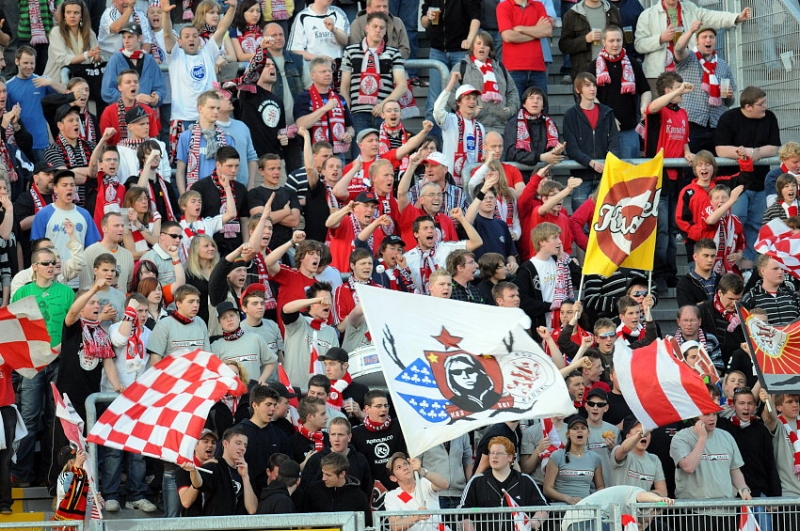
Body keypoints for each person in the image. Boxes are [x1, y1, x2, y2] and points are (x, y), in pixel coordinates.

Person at [160, 0, 237, 160]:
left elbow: (222, 28)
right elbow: (167, 34)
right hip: (183, 119)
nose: (192, 39)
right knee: (182, 163)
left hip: (208, 118)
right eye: (187, 36)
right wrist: (165, 14)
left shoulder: (208, 53)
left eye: (195, 36)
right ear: (179, 41)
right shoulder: (175, 56)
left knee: (211, 162)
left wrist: (232, 8)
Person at [715, 87, 781, 268]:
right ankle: (729, 264)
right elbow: (720, 149)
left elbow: (774, 147)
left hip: (760, 183)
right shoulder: (728, 118)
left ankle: (747, 265)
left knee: (756, 224)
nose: (765, 106)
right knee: (736, 220)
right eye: (761, 104)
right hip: (736, 183)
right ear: (748, 106)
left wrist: (754, 153)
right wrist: (742, 153)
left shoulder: (770, 117)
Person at [635, 0, 750, 93]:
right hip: (657, 76)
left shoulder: (690, 8)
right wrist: (660, 38)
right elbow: (639, 45)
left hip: (687, 73)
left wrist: (737, 17)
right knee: (660, 112)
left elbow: (712, 16)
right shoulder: (647, 15)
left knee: (687, 111)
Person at [669, 413, 751, 528]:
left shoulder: (726, 437)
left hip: (726, 511)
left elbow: (734, 470)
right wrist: (702, 438)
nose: (712, 418)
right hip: (694, 511)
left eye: (714, 414)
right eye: (706, 415)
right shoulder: (681, 438)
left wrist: (743, 489)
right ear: (695, 417)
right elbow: (688, 467)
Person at [31, 169, 101, 289]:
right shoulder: (44, 214)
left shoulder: (84, 214)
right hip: (53, 279)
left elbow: (92, 248)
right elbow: (37, 249)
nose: (69, 188)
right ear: (55, 189)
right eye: (64, 185)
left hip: (81, 279)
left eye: (72, 185)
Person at [589, 25, 651, 159]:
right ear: (604, 42)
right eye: (611, 41)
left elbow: (645, 90)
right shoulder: (594, 66)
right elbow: (589, 96)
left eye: (618, 40)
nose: (615, 44)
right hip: (602, 128)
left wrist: (644, 106)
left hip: (629, 128)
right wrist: (608, 117)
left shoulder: (633, 64)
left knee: (630, 168)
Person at [462, 435, 548, 531]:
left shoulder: (525, 480)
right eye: (492, 453)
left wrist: (536, 521)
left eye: (499, 453)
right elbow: (464, 513)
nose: (494, 456)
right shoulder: (477, 481)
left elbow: (543, 508)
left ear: (510, 457)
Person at [340, 12, 407, 132]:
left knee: (385, 145)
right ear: (367, 28)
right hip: (358, 113)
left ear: (385, 31)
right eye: (374, 26)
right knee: (360, 145)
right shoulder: (351, 51)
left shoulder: (393, 52)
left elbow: (402, 85)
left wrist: (383, 105)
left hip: (384, 113)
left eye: (382, 28)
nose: (378, 30)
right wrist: (347, 112)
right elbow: (344, 87)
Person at [563, 73, 620, 212]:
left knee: (605, 220)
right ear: (578, 89)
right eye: (587, 85)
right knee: (580, 220)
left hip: (604, 176)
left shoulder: (607, 112)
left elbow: (614, 142)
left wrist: (609, 161)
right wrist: (590, 162)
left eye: (594, 85)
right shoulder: (570, 115)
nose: (592, 88)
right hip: (581, 177)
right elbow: (571, 148)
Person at [420, 0, 481, 127]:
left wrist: (469, 39)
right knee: (435, 96)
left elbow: (476, 18)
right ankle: (432, 137)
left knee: (461, 96)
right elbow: (423, 22)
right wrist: (428, 17)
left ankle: (460, 133)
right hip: (437, 50)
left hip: (460, 50)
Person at [447, 31, 519, 136]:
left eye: (486, 44)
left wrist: (510, 110)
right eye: (479, 43)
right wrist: (469, 111)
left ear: (490, 49)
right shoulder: (461, 67)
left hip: (501, 128)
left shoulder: (499, 68)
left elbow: (512, 92)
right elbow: (449, 95)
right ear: (472, 47)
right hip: (472, 127)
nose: (482, 47)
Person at [7, 46, 67, 160]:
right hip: (19, 144)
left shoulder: (42, 81)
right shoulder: (8, 86)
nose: (29, 67)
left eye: (32, 63)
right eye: (25, 63)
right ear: (17, 61)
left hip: (41, 143)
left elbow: (66, 92)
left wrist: (51, 83)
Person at [403, 211, 483, 295]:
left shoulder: (447, 249)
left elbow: (476, 242)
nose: (430, 231)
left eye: (432, 228)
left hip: (446, 298)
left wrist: (461, 218)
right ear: (416, 234)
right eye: (425, 228)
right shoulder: (407, 259)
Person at [351, 390, 407, 505]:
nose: (383, 409)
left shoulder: (399, 425)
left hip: (401, 490)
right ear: (367, 409)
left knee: (405, 515)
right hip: (374, 494)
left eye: (386, 406)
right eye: (378, 406)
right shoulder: (356, 434)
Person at [515, 222, 574, 329]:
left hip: (564, 324)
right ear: (542, 242)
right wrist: (551, 306)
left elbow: (579, 279)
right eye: (555, 238)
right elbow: (523, 300)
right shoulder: (527, 269)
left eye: (559, 237)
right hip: (541, 326)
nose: (560, 241)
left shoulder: (560, 260)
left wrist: (564, 258)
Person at [281, 281, 340, 386]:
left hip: (320, 391)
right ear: (311, 304)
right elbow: (286, 309)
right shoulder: (298, 322)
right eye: (323, 300)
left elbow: (335, 365)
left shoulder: (331, 332)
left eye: (329, 300)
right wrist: (317, 300)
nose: (327, 304)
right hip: (295, 389)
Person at [101, 23, 166, 118]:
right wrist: (133, 99)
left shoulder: (150, 60)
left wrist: (156, 97)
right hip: (121, 115)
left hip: (145, 115)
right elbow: (107, 91)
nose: (126, 41)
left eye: (130, 37)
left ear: (140, 38)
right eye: (124, 37)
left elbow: (160, 88)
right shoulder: (115, 59)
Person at [294, 57, 355, 158]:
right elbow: (301, 125)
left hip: (337, 153)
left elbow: (350, 127)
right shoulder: (304, 98)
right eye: (323, 72)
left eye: (329, 71)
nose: (328, 74)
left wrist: (348, 135)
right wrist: (324, 108)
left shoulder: (339, 98)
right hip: (313, 153)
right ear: (312, 75)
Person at [193, 426, 258, 515]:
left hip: (240, 522)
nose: (242, 448)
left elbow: (252, 510)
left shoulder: (247, 472)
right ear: (225, 444)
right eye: (238, 443)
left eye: (245, 445)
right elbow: (198, 484)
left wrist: (245, 477)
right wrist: (193, 471)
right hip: (216, 522)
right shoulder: (213, 466)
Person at [434, 76, 485, 186]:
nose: (472, 102)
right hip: (451, 181)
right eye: (468, 98)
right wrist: (451, 83)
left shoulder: (480, 127)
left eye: (474, 98)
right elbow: (437, 110)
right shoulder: (450, 120)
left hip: (473, 182)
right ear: (458, 102)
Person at [287, 0, 350, 88]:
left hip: (337, 70)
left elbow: (345, 41)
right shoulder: (303, 16)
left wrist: (334, 30)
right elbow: (295, 50)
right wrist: (318, 58)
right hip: (315, 71)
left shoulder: (338, 13)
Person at [43, 0, 102, 88]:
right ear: (64, 15)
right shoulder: (56, 32)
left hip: (82, 83)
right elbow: (62, 60)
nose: (72, 16)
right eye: (68, 12)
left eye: (76, 13)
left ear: (82, 15)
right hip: (56, 83)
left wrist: (96, 57)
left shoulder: (90, 34)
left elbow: (96, 57)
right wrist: (87, 55)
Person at [302, 451, 373, 524]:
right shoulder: (313, 491)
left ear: (342, 474)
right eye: (323, 473)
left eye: (328, 475)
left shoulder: (358, 497)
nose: (323, 478)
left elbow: (367, 524)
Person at [146, 284, 210, 363]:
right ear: (178, 304)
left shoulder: (200, 322)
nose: (195, 305)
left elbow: (207, 355)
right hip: (172, 370)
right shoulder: (164, 325)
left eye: (198, 301)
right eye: (191, 302)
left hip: (198, 369)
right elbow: (155, 359)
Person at [503, 86, 565, 167]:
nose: (535, 101)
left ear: (543, 106)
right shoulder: (513, 124)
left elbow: (554, 154)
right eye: (531, 98)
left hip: (544, 172)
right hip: (519, 172)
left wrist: (556, 152)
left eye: (539, 98)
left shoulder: (551, 124)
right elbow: (511, 153)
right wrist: (539, 157)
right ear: (524, 104)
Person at [558, 0, 621, 81]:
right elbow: (564, 45)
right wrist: (585, 39)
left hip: (612, 69)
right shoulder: (572, 14)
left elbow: (622, 39)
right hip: (585, 72)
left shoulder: (612, 10)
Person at [385, 452, 450, 529]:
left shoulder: (425, 482)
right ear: (393, 478)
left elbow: (445, 484)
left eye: (406, 464)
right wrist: (416, 517)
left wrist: (422, 471)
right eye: (399, 467)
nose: (405, 468)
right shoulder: (392, 496)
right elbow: (395, 527)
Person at [612, 417, 668, 495]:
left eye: (646, 433)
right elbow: (623, 449)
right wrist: (640, 434)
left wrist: (641, 497)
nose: (643, 435)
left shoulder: (654, 459)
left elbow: (663, 492)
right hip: (621, 503)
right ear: (628, 436)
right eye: (638, 432)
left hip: (643, 503)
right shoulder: (620, 452)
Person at [741, 255, 800, 326]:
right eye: (775, 269)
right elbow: (744, 327)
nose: (780, 272)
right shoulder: (750, 298)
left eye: (782, 268)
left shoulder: (794, 296)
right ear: (763, 271)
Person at [176, 429, 219, 517]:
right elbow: (186, 502)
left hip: (214, 520)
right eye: (205, 441)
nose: (210, 445)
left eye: (213, 442)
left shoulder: (218, 468)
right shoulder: (184, 469)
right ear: (195, 446)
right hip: (193, 521)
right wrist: (200, 472)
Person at [676, 238, 720, 308]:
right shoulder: (684, 283)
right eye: (706, 256)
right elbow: (687, 310)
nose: (710, 260)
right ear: (695, 257)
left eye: (713, 256)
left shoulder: (722, 280)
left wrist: (700, 305)